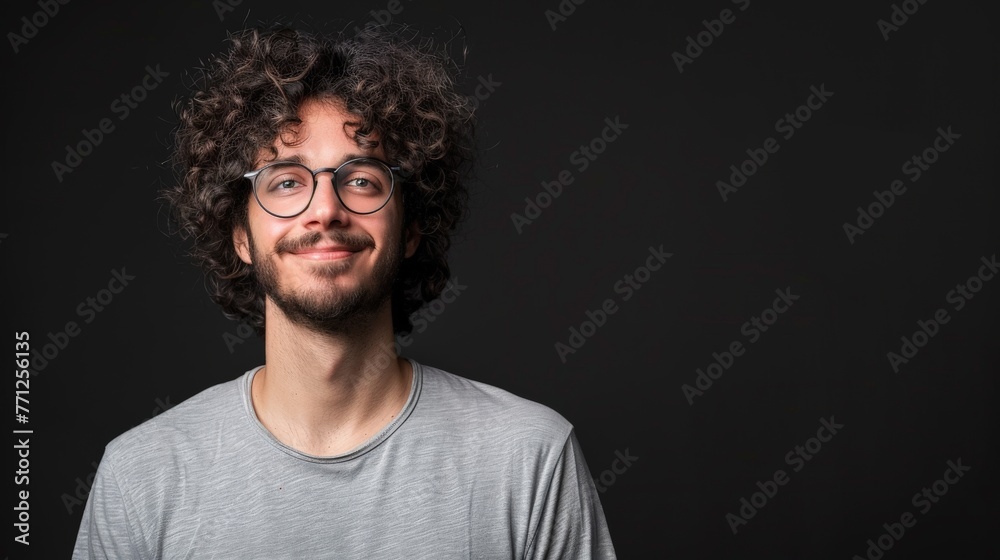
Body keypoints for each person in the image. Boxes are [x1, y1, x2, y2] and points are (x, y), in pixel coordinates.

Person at [72, 24, 616, 559]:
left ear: (410, 228)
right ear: (240, 234)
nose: (325, 210)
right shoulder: (140, 479)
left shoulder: (530, 460)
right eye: (285, 181)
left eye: (361, 179)